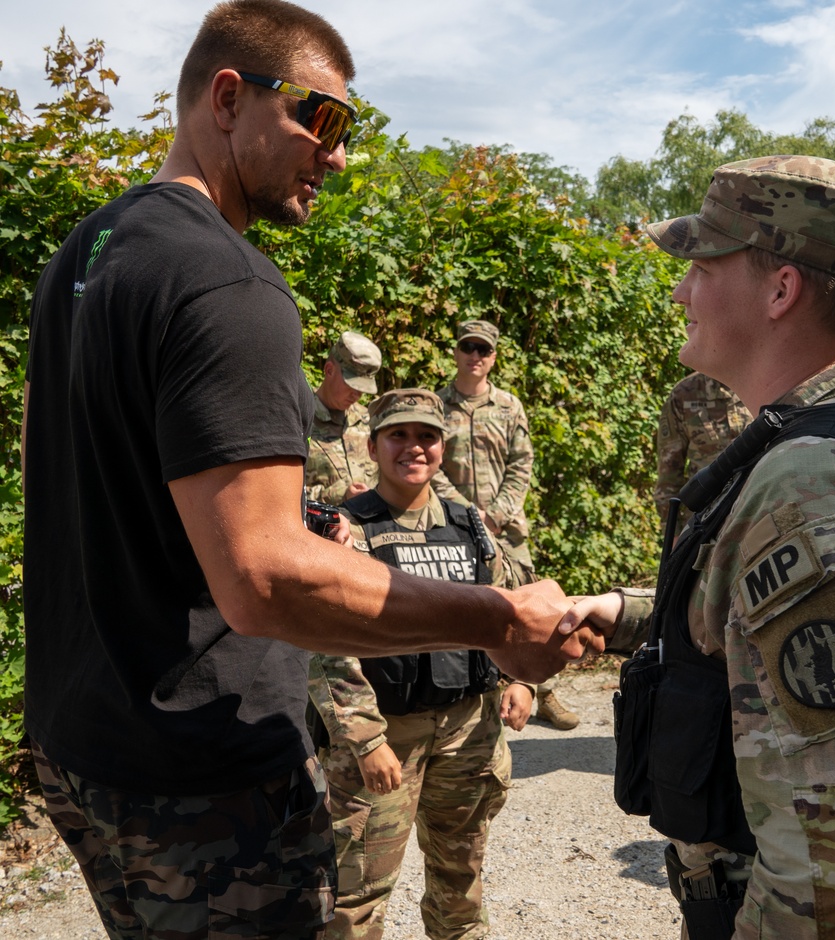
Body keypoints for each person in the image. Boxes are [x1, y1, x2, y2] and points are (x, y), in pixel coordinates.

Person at [19, 3, 595, 937]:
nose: (336, 154)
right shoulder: (229, 283)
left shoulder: (83, 255)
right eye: (318, 120)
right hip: (203, 769)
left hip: (83, 745)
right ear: (228, 96)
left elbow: (69, 475)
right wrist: (497, 620)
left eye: (348, 130)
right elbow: (264, 582)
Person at [561, 156, 835, 937]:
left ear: (780, 290)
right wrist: (628, 614)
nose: (681, 291)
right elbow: (765, 623)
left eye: (700, 265)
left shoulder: (809, 482)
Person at [309, 388, 532, 939]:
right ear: (373, 445)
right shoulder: (346, 529)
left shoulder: (469, 524)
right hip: (388, 737)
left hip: (468, 732)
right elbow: (323, 640)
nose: (414, 448)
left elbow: (514, 606)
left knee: (461, 880)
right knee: (356, 895)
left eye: (427, 436)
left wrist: (521, 676)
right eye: (399, 436)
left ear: (443, 446)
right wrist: (365, 739)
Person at [433, 319, 579, 730]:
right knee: (462, 609)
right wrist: (468, 513)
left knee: (530, 607)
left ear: (493, 357)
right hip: (453, 526)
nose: (475, 356)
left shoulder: (509, 406)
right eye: (468, 347)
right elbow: (432, 466)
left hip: (507, 529)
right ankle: (474, 697)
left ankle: (541, 690)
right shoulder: (437, 405)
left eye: (483, 350)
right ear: (457, 351)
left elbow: (521, 464)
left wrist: (495, 515)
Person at [654, 371, 751, 528]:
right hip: (704, 522)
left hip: (756, 514)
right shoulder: (685, 393)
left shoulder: (765, 383)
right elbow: (668, 474)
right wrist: (673, 532)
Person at [306, 330, 382, 504]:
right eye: (351, 385)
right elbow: (283, 490)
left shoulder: (368, 420)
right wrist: (340, 494)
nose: (357, 394)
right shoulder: (301, 419)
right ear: (329, 370)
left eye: (363, 388)